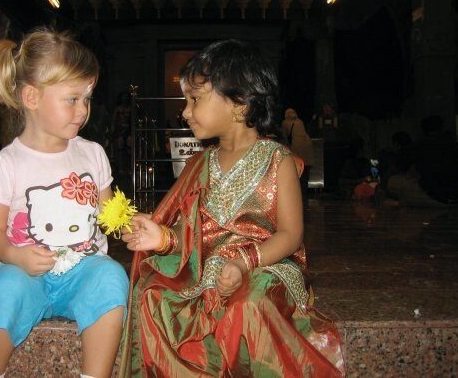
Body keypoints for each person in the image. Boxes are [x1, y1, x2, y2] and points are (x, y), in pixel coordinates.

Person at [119, 40, 344, 377]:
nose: (185, 112)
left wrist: (243, 263)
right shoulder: (199, 164)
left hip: (265, 268)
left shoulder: (277, 160)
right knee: (152, 293)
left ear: (240, 104)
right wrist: (164, 238)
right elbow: (195, 231)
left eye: (195, 100)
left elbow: (290, 235)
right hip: (208, 269)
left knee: (248, 304)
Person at [0, 28, 129, 378]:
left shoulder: (92, 154)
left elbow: (108, 213)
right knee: (3, 292)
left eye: (87, 98)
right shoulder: (5, 164)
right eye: (72, 99)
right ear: (31, 97)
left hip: (83, 269)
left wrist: (129, 225)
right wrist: (14, 256)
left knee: (111, 276)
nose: (83, 110)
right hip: (25, 272)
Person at [282, 108, 315, 194]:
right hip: (307, 144)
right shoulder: (300, 121)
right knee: (306, 168)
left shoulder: (285, 122)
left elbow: (284, 136)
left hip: (296, 145)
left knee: (297, 167)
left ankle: (298, 190)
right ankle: (305, 190)